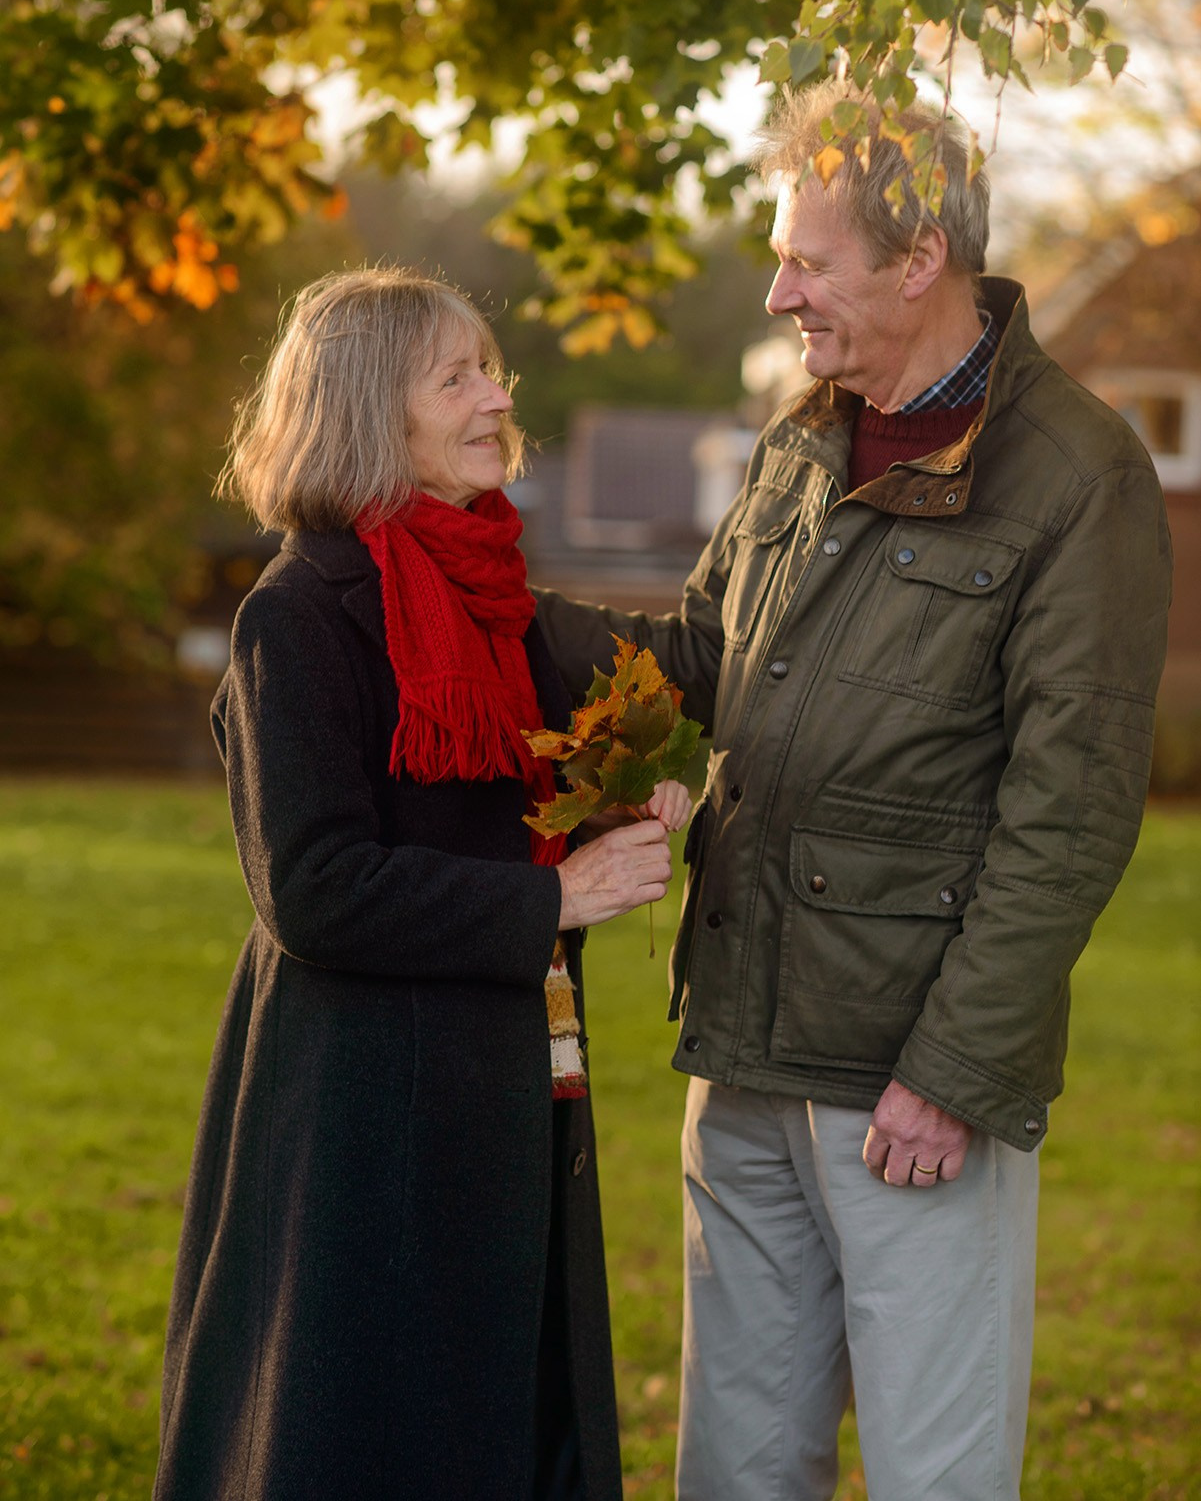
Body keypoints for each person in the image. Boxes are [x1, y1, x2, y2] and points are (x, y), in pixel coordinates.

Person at [536, 81, 1173, 1501]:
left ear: (918, 258)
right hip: (740, 1045)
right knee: (734, 1468)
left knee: (934, 1475)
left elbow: (1069, 810)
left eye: (806, 260)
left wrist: (951, 1074)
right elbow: (699, 659)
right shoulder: (799, 441)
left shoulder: (1078, 477)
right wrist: (498, 615)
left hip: (905, 1083)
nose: (776, 294)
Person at [153, 267, 691, 1501]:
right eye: (457, 376)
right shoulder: (296, 618)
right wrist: (551, 901)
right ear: (362, 411)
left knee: (500, 1419)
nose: (499, 395)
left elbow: (503, 813)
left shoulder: (491, 596)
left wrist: (609, 812)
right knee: (370, 1439)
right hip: (361, 1111)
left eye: (491, 368)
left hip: (504, 1083)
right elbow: (314, 886)